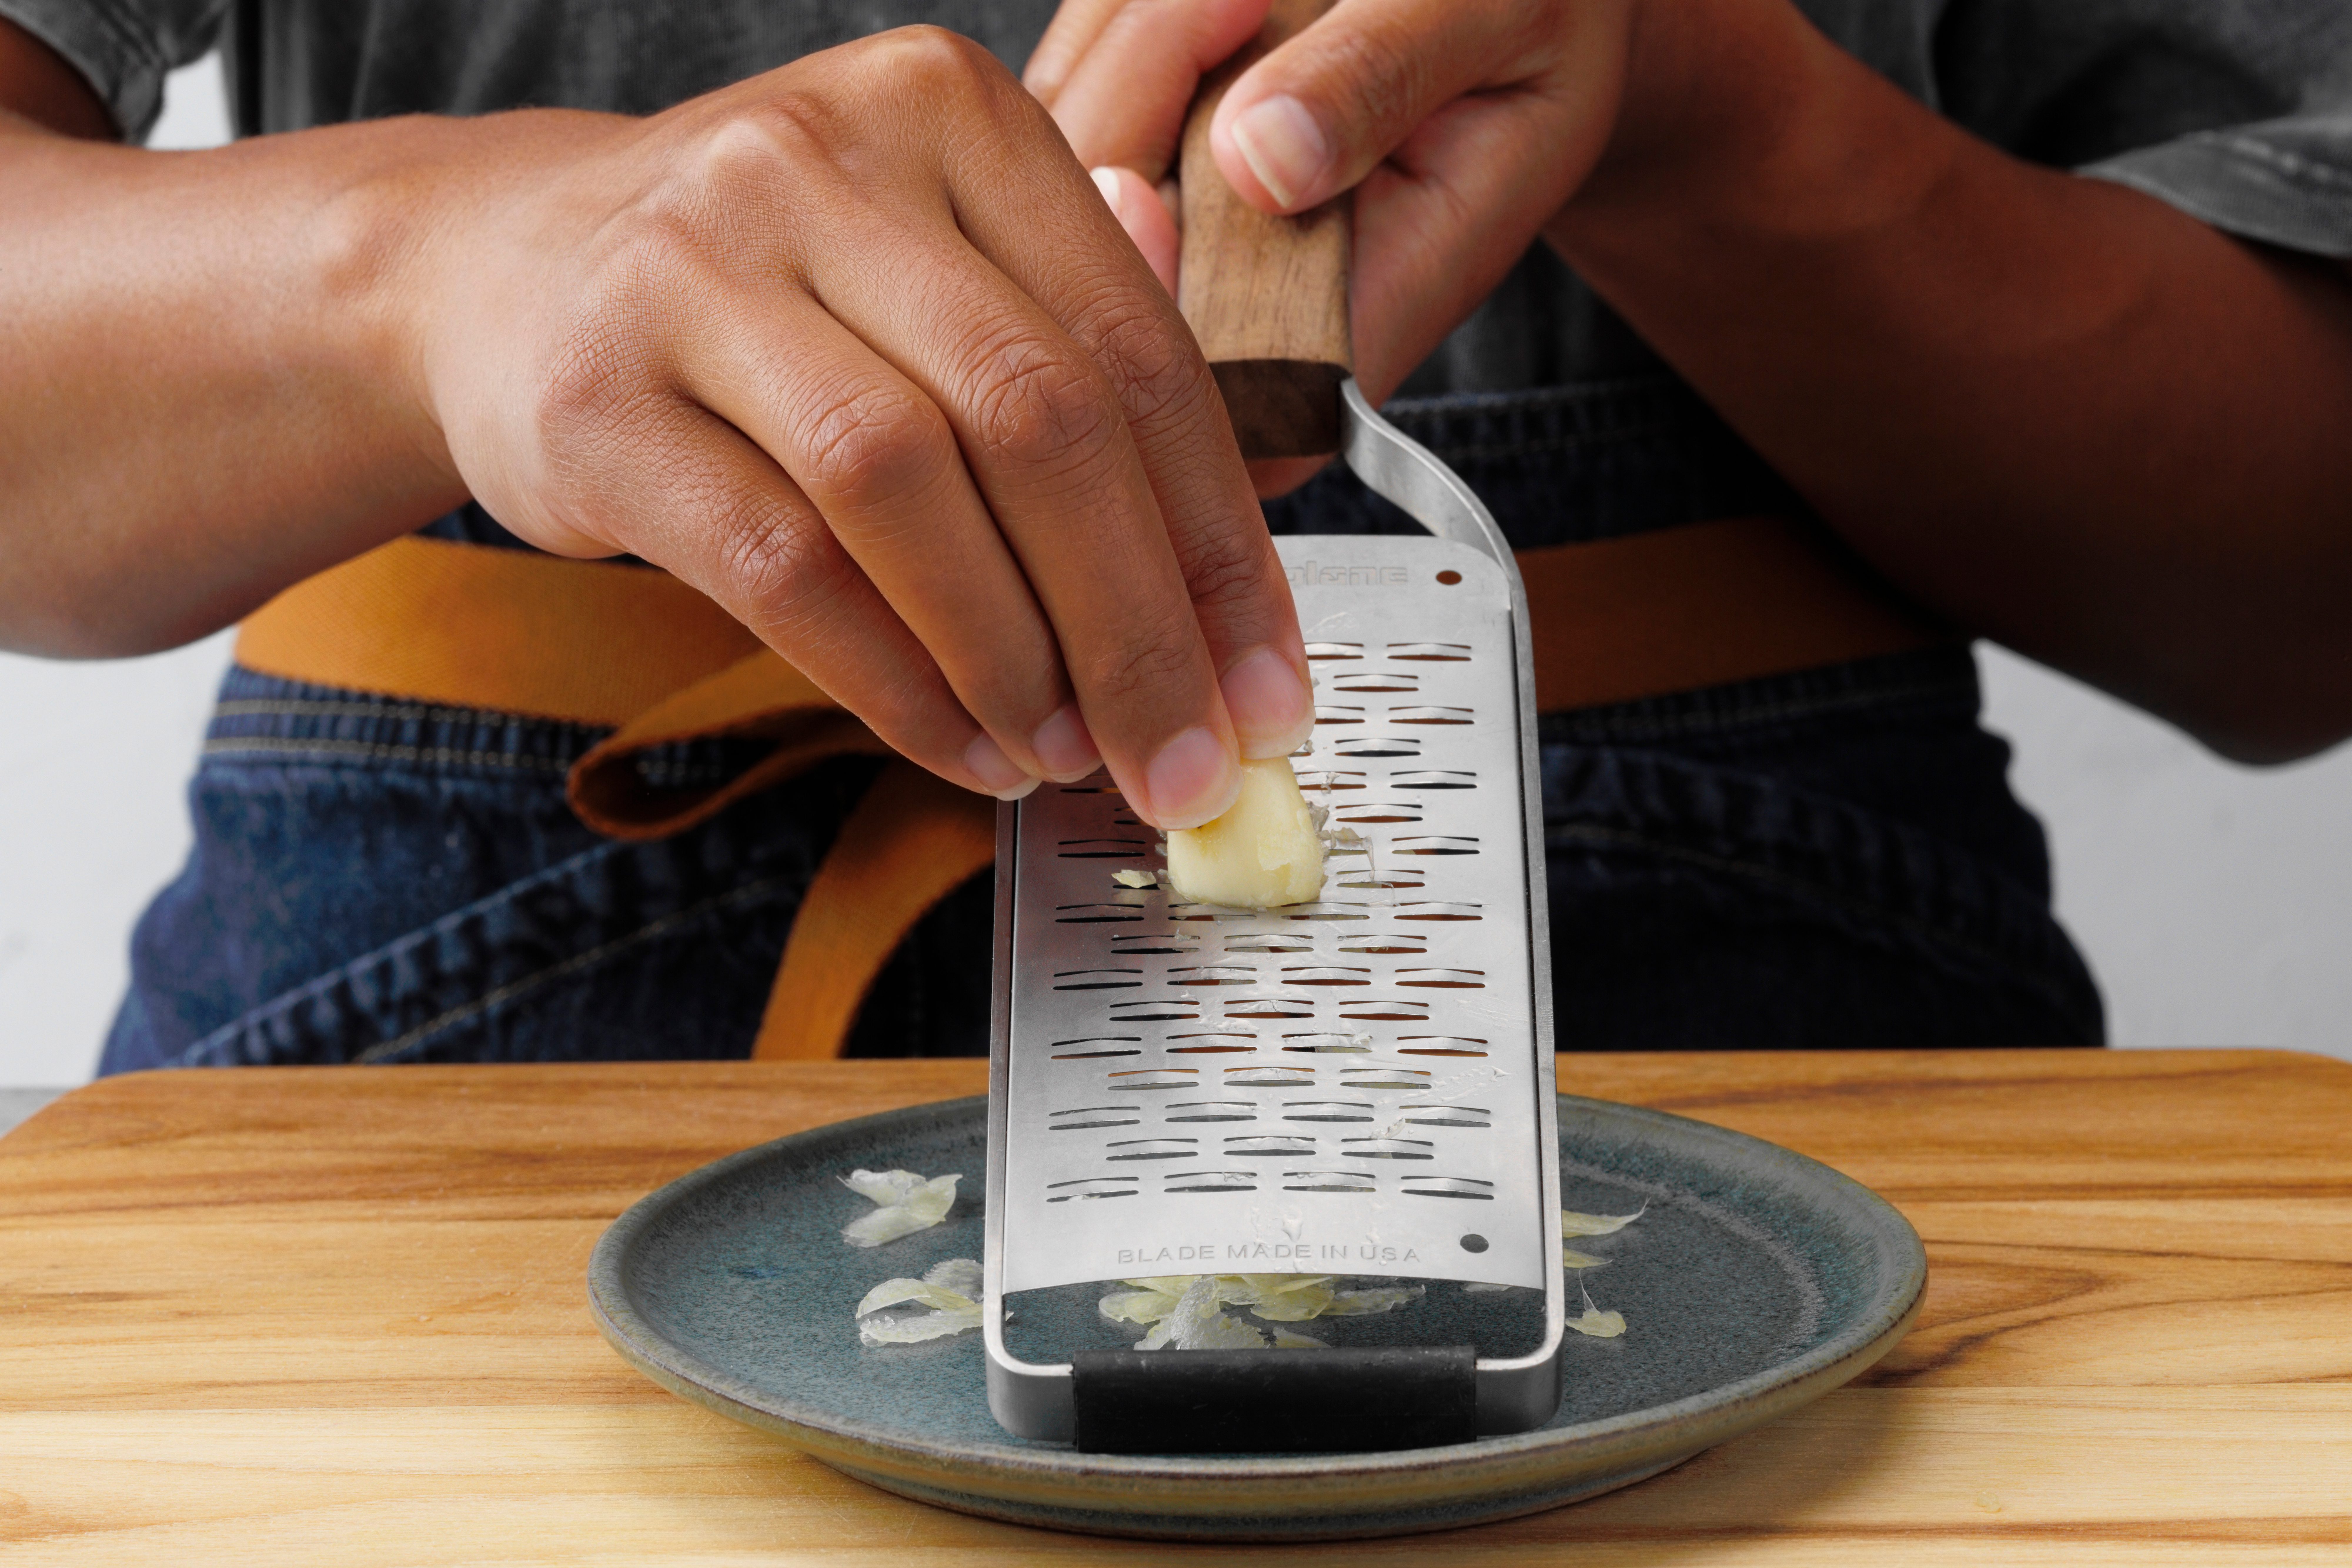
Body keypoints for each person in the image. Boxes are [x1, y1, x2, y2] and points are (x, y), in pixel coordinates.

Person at [1, 0, 2347, 1069]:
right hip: (461, 948)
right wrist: (426, 270)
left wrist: (1714, 107)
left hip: (1748, 958)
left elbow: (2290, 589)